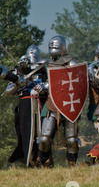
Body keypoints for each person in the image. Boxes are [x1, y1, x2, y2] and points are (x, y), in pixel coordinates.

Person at [34, 36, 82, 167]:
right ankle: (45, 163)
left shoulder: (71, 63)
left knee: (72, 140)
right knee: (44, 138)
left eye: (55, 46)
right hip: (51, 104)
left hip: (69, 105)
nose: (52, 49)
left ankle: (72, 165)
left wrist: (48, 86)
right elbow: (43, 80)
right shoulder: (47, 64)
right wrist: (42, 87)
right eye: (51, 47)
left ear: (62, 48)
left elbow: (78, 84)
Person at [2, 47, 46, 167]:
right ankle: (27, 161)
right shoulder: (17, 71)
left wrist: (43, 88)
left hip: (40, 103)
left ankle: (42, 160)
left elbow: (49, 86)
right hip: (25, 104)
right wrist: (18, 83)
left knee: (42, 134)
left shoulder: (42, 70)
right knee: (26, 135)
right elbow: (8, 92)